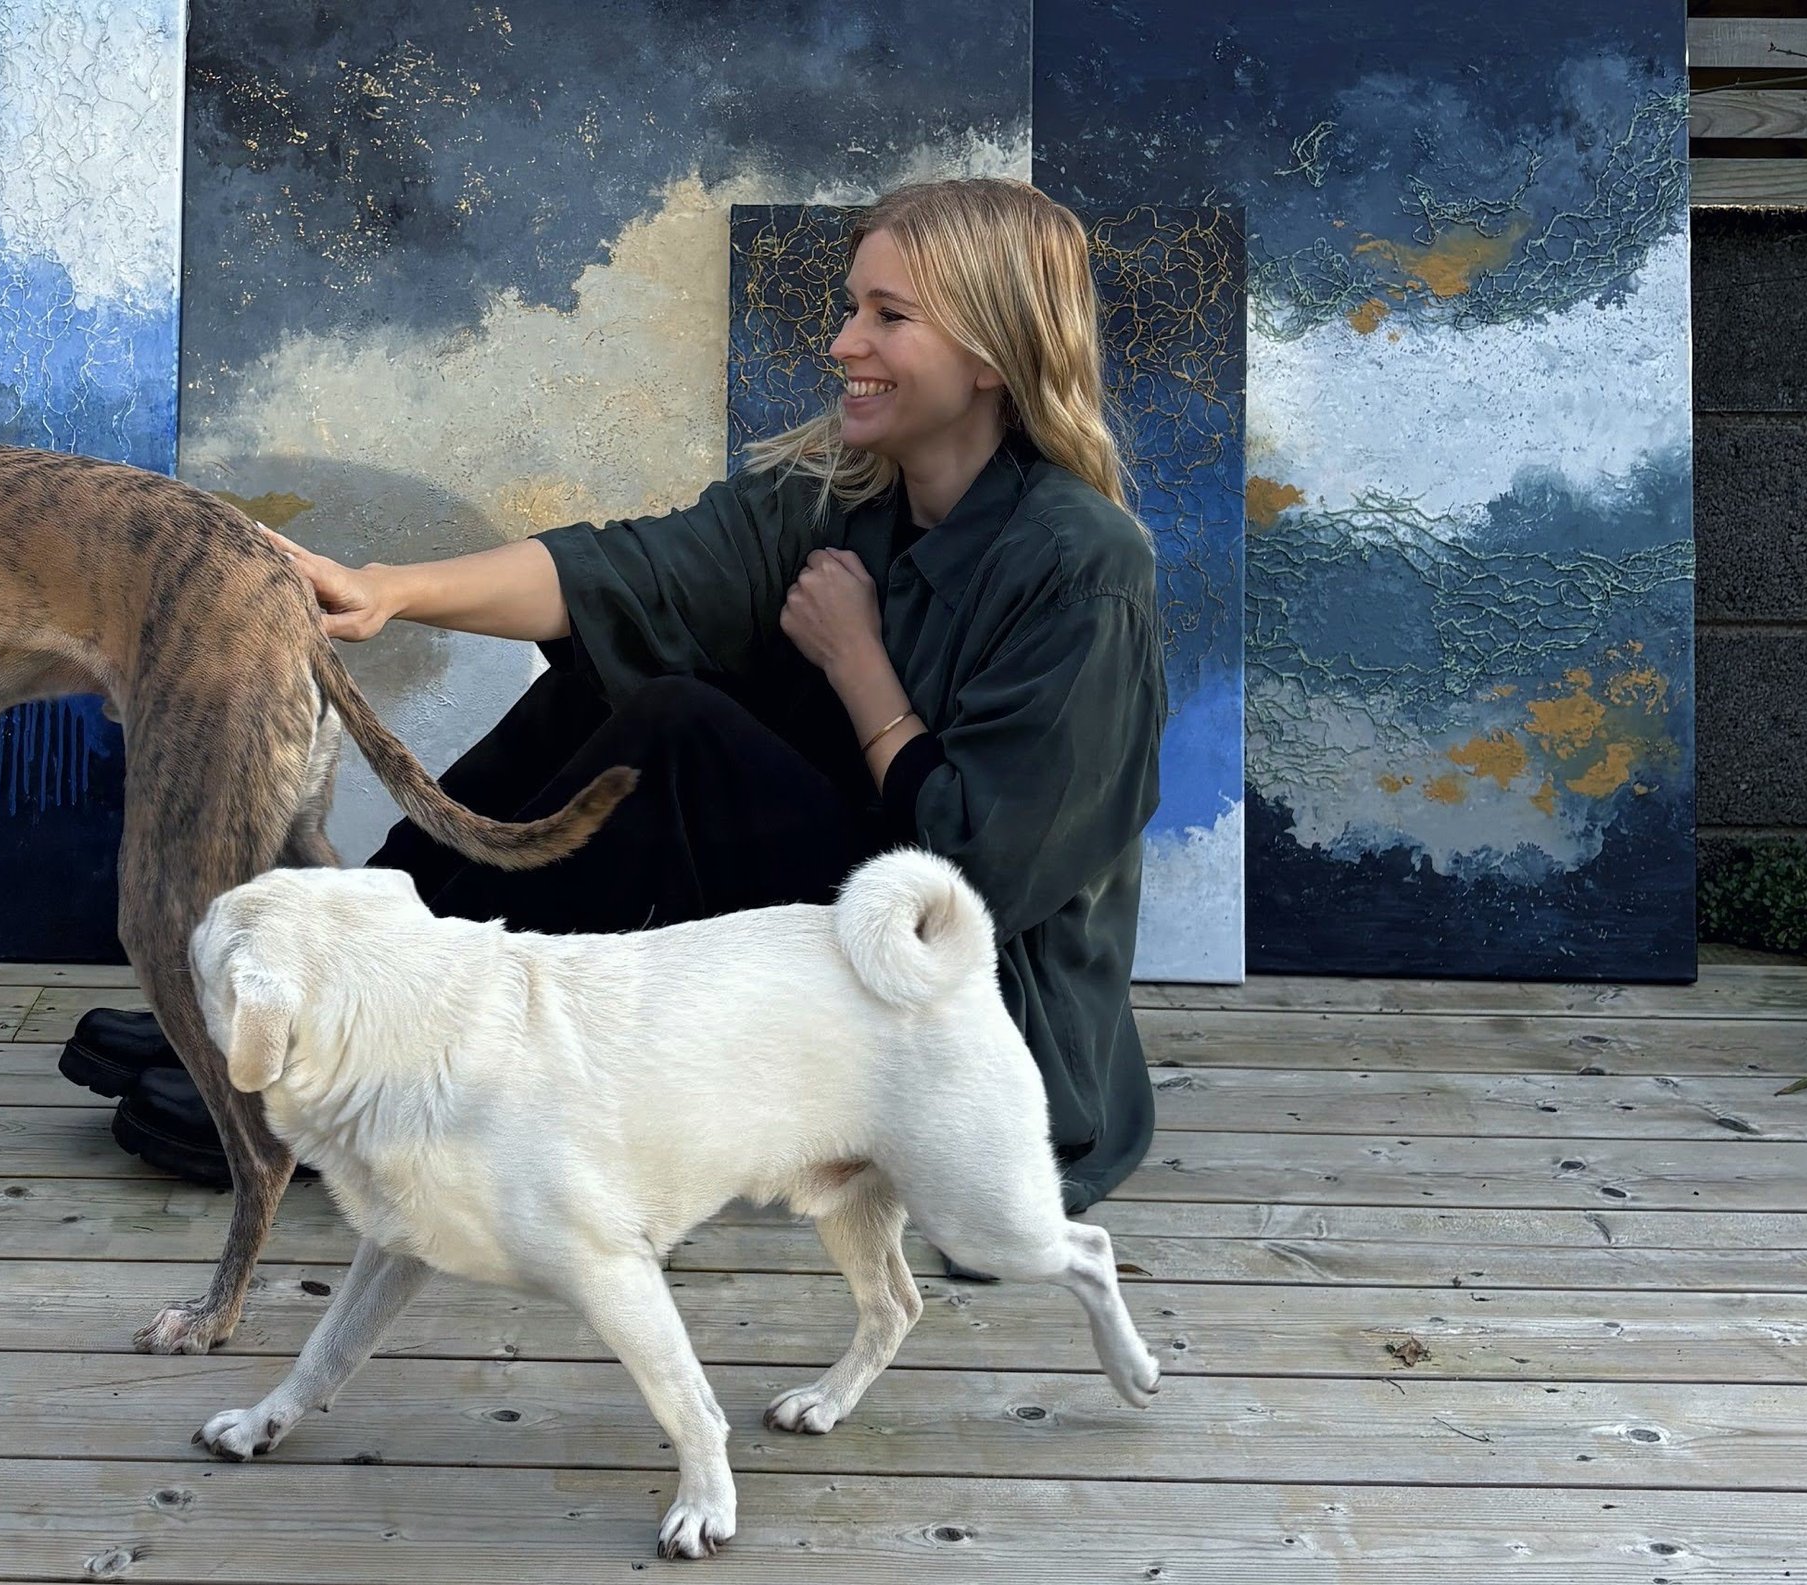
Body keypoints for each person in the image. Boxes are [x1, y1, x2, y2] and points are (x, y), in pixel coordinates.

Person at [60, 176, 1167, 1216]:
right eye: (850, 309)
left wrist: (860, 665)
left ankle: (384, 1073)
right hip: (853, 956)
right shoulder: (844, 499)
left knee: (678, 732)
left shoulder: (1083, 567)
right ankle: (327, 989)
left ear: (990, 352)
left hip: (981, 1039)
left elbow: (982, 875)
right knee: (614, 678)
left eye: (889, 316)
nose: (843, 343)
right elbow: (631, 574)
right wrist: (389, 590)